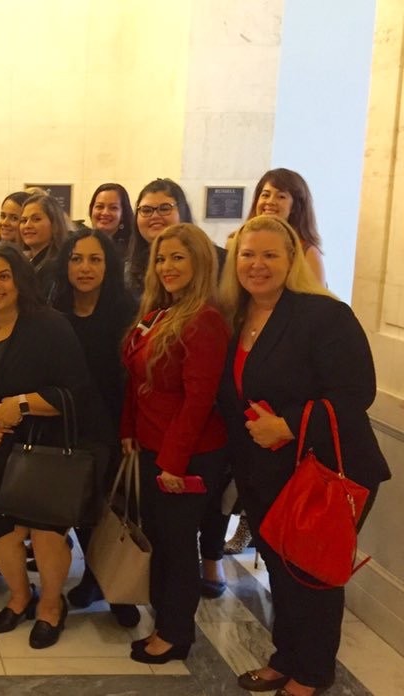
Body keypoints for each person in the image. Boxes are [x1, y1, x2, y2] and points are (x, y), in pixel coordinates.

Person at [218, 215, 389, 696]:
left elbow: (357, 392)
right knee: (280, 571)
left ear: (292, 260)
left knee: (312, 577)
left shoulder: (323, 315)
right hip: (264, 473)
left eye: (270, 254)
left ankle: (311, 675)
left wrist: (289, 425)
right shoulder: (237, 316)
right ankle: (285, 658)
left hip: (326, 473)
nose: (257, 264)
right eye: (247, 255)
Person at [0, 243, 111, 649]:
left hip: (45, 451)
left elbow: (76, 393)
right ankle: (20, 596)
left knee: (45, 532)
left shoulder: (49, 325)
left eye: (4, 276)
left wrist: (21, 405)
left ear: (20, 280)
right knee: (0, 532)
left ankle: (51, 607)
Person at [121, 223, 230, 664]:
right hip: (151, 446)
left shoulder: (205, 318)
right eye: (161, 259)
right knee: (162, 539)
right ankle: (166, 619)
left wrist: (173, 462)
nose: (166, 266)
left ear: (200, 261)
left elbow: (200, 400)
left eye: (177, 258)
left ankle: (176, 632)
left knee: (178, 544)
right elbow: (136, 378)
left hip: (186, 455)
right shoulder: (160, 312)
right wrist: (128, 427)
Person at [51, 228, 139, 628]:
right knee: (80, 508)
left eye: (94, 259)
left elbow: (138, 378)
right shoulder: (53, 311)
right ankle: (92, 577)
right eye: (76, 259)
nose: (84, 268)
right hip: (67, 427)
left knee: (110, 509)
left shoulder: (127, 312)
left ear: (109, 265)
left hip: (115, 426)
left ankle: (116, 585)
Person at [248, 168, 325, 285]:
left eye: (281, 197)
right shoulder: (235, 242)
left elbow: (319, 301)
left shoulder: (307, 252)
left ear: (295, 207)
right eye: (265, 195)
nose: (270, 201)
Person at [126, 179, 194, 297]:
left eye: (164, 208)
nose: (155, 216)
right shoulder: (127, 270)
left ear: (182, 212)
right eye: (146, 210)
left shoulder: (214, 261)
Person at [19, 193, 69, 300]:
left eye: (36, 219)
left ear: (54, 223)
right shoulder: (26, 262)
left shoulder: (58, 266)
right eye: (23, 220)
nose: (27, 225)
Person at [87, 183, 135, 254]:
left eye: (113, 208)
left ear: (123, 214)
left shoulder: (132, 251)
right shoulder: (79, 244)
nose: (105, 213)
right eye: (100, 206)